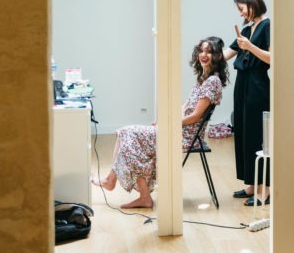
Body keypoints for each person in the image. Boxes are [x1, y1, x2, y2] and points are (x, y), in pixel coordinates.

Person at [92, 36, 229, 208]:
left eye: (209, 52)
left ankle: (132, 191)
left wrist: (168, 125)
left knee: (131, 136)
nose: (204, 54)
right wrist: (164, 120)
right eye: (201, 50)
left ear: (217, 56)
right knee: (125, 132)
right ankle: (114, 181)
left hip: (186, 135)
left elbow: (195, 116)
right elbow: (184, 107)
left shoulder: (212, 81)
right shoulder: (203, 78)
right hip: (179, 129)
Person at [223, 0, 271, 206]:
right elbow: (226, 55)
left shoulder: (267, 26)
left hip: (257, 85)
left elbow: (273, 59)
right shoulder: (246, 30)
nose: (241, 14)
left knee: (257, 135)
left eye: (242, 9)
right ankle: (251, 184)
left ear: (252, 4)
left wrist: (250, 46)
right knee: (242, 132)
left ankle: (265, 190)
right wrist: (204, 58)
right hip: (242, 84)